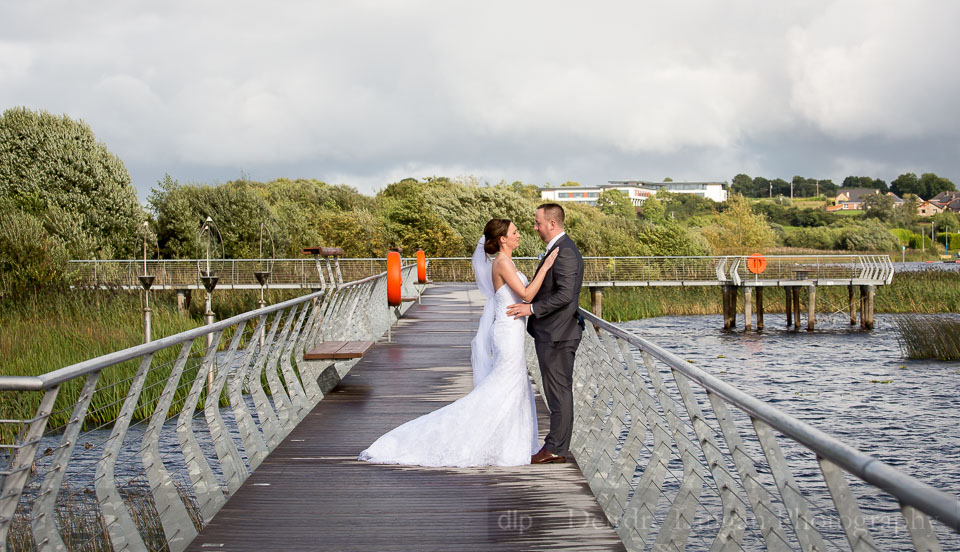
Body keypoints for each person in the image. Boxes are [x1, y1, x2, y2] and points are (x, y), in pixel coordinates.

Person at [357, 218, 558, 467]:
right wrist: (547, 266)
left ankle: (509, 444)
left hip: (513, 330)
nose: (519, 235)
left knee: (514, 386)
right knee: (503, 385)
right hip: (507, 333)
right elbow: (527, 295)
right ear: (503, 239)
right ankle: (485, 439)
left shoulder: (507, 261)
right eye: (514, 232)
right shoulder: (503, 263)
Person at [506, 203, 584, 464]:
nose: (535, 227)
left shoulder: (566, 253)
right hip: (553, 332)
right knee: (556, 392)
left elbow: (565, 295)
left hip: (558, 334)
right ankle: (556, 445)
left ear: (552, 224)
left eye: (538, 223)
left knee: (559, 393)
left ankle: (555, 449)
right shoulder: (558, 249)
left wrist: (532, 308)